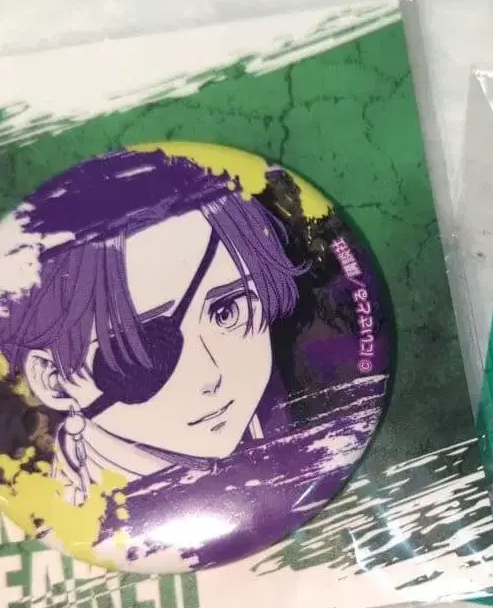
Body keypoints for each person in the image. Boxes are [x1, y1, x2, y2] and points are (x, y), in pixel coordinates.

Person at [0, 149, 304, 506]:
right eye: (139, 347)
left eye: (226, 312)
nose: (212, 375)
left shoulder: (300, 426)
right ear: (53, 380)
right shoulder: (66, 516)